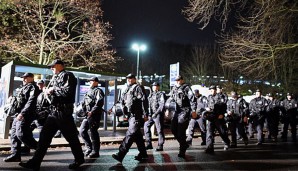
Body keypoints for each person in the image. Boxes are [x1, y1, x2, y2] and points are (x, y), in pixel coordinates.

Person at [19, 59, 84, 170]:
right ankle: (35, 162)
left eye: (53, 66)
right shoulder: (55, 77)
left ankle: (79, 159)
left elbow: (68, 92)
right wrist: (46, 91)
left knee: (71, 138)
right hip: (53, 112)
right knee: (44, 138)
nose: (51, 68)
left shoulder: (68, 75)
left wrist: (53, 90)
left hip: (64, 113)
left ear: (59, 65)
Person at [3, 73, 39, 162]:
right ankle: (15, 155)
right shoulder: (24, 87)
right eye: (23, 78)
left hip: (25, 114)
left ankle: (39, 148)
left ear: (31, 78)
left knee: (21, 134)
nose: (23, 79)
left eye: (25, 78)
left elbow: (31, 102)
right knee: (14, 135)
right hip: (18, 114)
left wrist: (22, 113)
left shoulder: (33, 88)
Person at [112, 73, 148, 163]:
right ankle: (143, 154)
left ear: (135, 79)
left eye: (131, 78)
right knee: (137, 136)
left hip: (136, 115)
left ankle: (120, 154)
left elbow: (143, 100)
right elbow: (121, 101)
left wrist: (145, 114)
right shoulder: (127, 89)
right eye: (128, 78)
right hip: (130, 115)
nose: (129, 80)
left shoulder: (137, 87)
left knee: (130, 134)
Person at [165, 75, 196, 158]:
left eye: (179, 80)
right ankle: (184, 144)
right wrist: (167, 109)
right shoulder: (174, 88)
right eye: (176, 80)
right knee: (173, 129)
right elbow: (170, 99)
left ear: (182, 80)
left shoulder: (186, 88)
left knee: (181, 132)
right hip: (176, 112)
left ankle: (182, 150)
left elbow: (192, 99)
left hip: (184, 111)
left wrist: (193, 110)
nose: (178, 81)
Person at [79, 76, 104, 158]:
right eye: (89, 81)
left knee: (93, 132)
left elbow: (99, 102)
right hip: (87, 115)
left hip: (94, 115)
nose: (90, 82)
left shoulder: (98, 91)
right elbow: (84, 102)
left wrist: (92, 111)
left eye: (92, 81)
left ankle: (95, 151)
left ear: (96, 82)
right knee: (82, 131)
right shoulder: (89, 90)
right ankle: (89, 148)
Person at [203, 85, 230, 153]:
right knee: (209, 133)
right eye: (211, 90)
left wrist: (222, 114)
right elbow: (205, 105)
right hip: (211, 117)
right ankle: (209, 148)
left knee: (222, 132)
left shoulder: (220, 97)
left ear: (215, 90)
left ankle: (227, 142)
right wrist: (206, 108)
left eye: (213, 90)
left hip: (218, 117)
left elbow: (224, 106)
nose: (212, 91)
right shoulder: (209, 97)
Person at [144, 82, 166, 151]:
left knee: (159, 130)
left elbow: (162, 105)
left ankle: (160, 145)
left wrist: (156, 113)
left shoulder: (161, 94)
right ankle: (148, 144)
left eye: (156, 86)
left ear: (158, 87)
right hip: (151, 115)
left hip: (158, 114)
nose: (154, 87)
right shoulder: (151, 95)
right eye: (153, 86)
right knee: (146, 126)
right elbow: (148, 105)